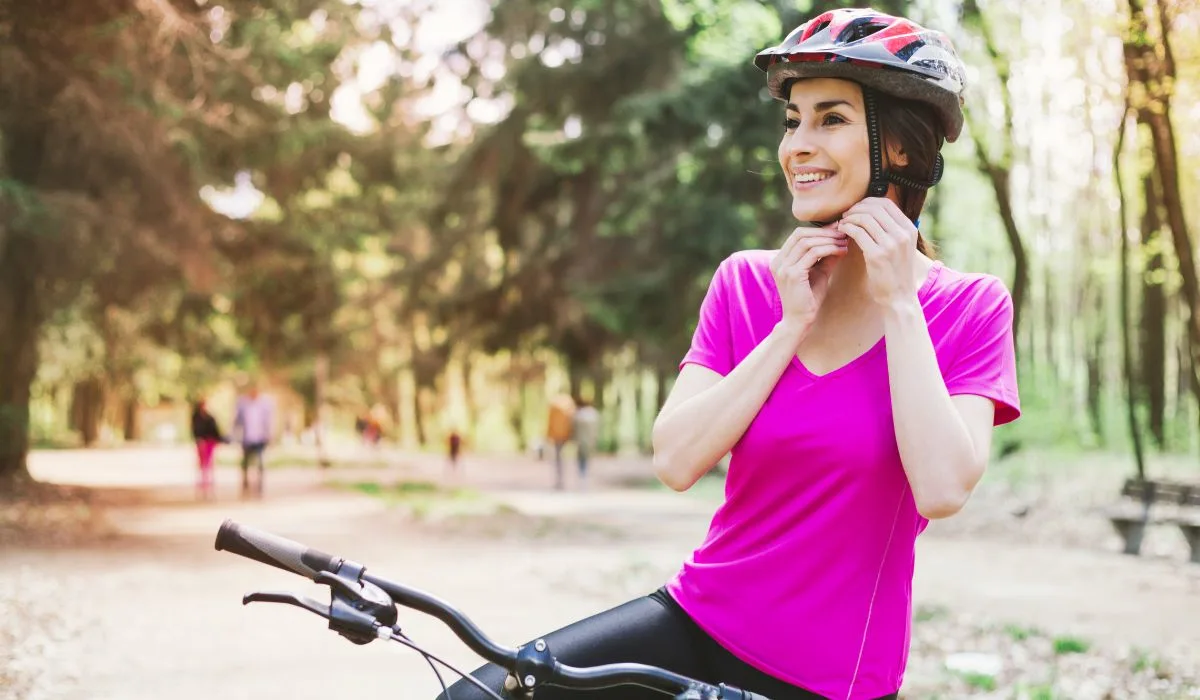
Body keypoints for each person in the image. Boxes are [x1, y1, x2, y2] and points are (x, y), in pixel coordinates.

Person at [435, 8, 1019, 700]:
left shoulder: (970, 307)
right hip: (695, 623)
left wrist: (898, 303)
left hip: (831, 680)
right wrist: (788, 327)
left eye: (829, 119)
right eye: (792, 121)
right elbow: (677, 459)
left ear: (900, 148)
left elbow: (944, 487)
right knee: (473, 697)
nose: (797, 145)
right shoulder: (749, 283)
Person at [233, 381, 275, 498]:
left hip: (260, 438)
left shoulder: (265, 404)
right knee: (245, 463)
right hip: (246, 439)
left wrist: (269, 435)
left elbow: (269, 421)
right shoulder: (242, 404)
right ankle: (245, 484)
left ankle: (260, 486)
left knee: (260, 463)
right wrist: (235, 435)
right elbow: (237, 421)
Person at [190, 398, 225, 500]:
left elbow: (215, 430)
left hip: (210, 442)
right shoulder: (196, 418)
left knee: (209, 463)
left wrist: (218, 440)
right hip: (202, 442)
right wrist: (199, 440)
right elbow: (195, 431)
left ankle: (209, 483)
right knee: (202, 464)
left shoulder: (210, 418)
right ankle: (203, 483)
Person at [545, 393, 575, 490]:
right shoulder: (569, 404)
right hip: (564, 435)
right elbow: (571, 420)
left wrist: (548, 435)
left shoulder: (554, 405)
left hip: (556, 436)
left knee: (558, 458)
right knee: (562, 458)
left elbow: (550, 421)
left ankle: (559, 479)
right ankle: (561, 479)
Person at [571, 398, 600, 489]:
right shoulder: (594, 415)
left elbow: (574, 428)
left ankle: (582, 475)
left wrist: (574, 438)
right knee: (586, 458)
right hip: (589, 440)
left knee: (581, 458)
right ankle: (585, 475)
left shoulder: (578, 416)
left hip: (581, 440)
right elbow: (596, 430)